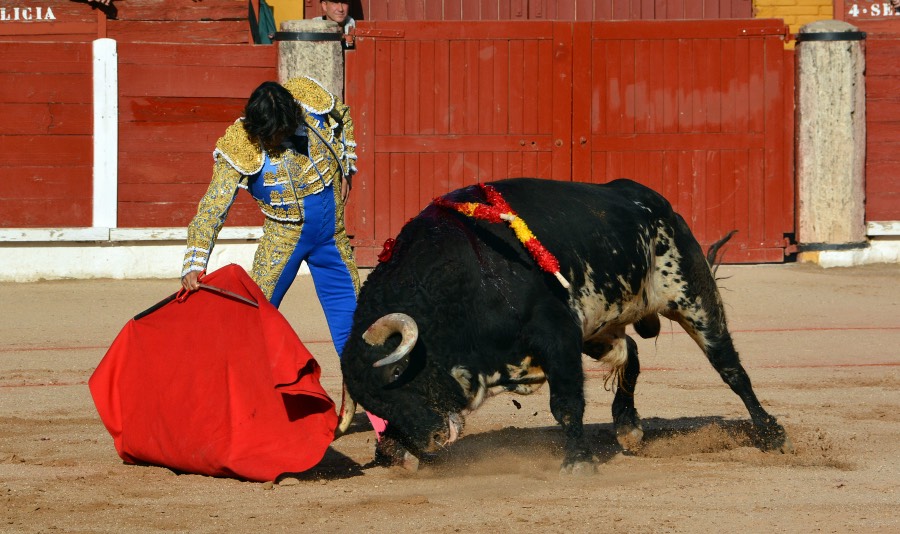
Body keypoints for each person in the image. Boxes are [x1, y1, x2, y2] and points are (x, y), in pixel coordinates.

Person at [180, 77, 385, 436]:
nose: (279, 141)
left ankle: (386, 419)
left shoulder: (308, 99)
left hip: (332, 239)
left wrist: (348, 155)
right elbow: (214, 206)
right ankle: (242, 413)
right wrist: (195, 262)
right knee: (251, 326)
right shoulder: (240, 143)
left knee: (354, 329)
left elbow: (344, 114)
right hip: (282, 240)